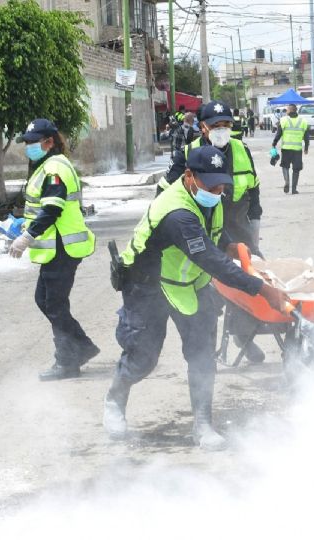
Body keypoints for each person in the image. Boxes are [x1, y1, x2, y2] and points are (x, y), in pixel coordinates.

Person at [103, 145, 289, 448]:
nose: (217, 191)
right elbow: (210, 260)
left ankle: (202, 425)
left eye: (222, 184)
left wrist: (229, 243)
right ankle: (115, 398)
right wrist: (264, 290)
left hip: (188, 282)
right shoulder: (176, 213)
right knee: (144, 357)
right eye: (211, 184)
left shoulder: (208, 194)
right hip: (148, 284)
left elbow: (212, 231)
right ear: (189, 176)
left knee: (202, 353)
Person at [160, 101, 267, 362]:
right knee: (211, 299)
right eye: (216, 125)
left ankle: (242, 335)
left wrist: (254, 230)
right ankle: (206, 355)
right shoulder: (188, 154)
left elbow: (253, 192)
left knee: (245, 291)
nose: (222, 130)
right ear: (202, 127)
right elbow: (163, 193)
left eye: (226, 125)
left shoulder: (242, 150)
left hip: (237, 234)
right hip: (200, 236)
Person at [8, 119, 100, 381]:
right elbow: (40, 208)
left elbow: (52, 209)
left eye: (33, 142)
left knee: (55, 305)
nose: (28, 147)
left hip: (63, 247)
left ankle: (68, 361)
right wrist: (22, 224)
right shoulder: (46, 166)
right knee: (46, 301)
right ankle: (81, 347)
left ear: (48, 141)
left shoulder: (54, 168)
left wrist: (27, 236)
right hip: (56, 248)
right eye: (26, 143)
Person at [272, 103, 310, 194]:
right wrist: (306, 147)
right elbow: (306, 136)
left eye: (287, 110)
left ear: (290, 110)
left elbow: (279, 133)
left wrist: (274, 143)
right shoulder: (303, 121)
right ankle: (294, 189)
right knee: (296, 169)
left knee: (285, 166)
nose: (286, 111)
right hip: (297, 149)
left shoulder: (283, 120)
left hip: (286, 149)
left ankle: (287, 182)